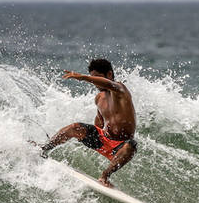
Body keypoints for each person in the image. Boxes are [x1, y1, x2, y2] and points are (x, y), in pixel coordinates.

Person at [41, 58, 137, 187]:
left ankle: (105, 176)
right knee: (75, 127)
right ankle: (43, 149)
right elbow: (99, 125)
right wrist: (89, 137)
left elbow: (109, 84)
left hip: (120, 146)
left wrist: (83, 77)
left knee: (131, 146)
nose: (95, 82)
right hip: (104, 140)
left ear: (109, 75)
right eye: (93, 78)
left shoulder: (120, 90)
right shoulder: (99, 98)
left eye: (97, 78)